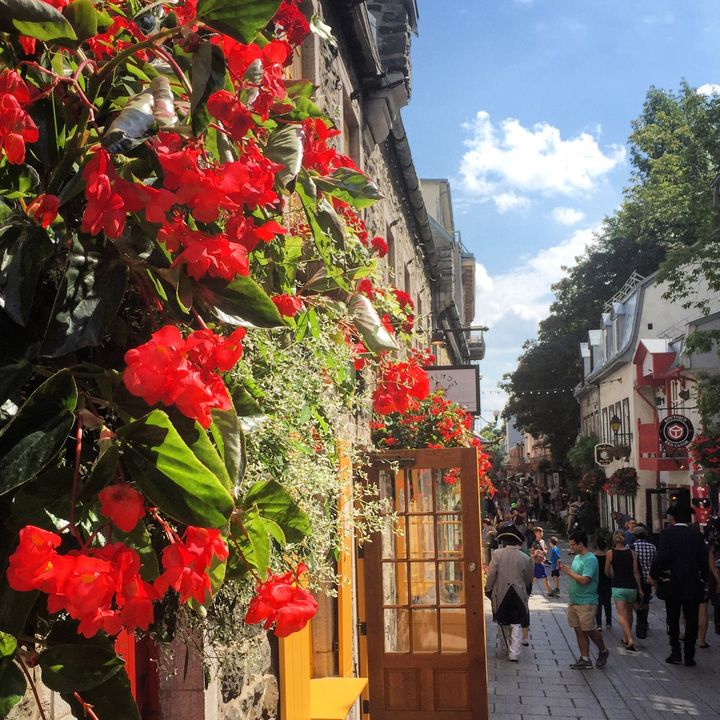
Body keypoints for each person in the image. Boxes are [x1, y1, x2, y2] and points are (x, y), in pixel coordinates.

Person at [650, 504, 708, 666]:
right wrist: (705, 579)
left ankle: (675, 650)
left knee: (673, 618)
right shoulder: (696, 534)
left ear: (673, 518)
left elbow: (661, 557)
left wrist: (654, 574)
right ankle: (690, 654)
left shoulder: (667, 533)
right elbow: (703, 560)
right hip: (692, 583)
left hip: (672, 583)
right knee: (691, 619)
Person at [561, 529, 609, 669]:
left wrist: (569, 572)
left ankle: (603, 650)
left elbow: (585, 580)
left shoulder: (591, 559)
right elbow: (576, 575)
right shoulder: (577, 558)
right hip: (574, 599)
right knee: (578, 630)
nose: (571, 548)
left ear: (581, 544)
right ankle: (585, 658)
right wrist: (568, 570)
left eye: (572, 545)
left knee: (589, 629)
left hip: (587, 601)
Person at [485, 523, 534, 662]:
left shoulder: (497, 554)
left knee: (502, 620)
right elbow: (528, 578)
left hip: (501, 592)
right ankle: (514, 652)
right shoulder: (525, 558)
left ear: (504, 541)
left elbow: (492, 574)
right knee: (517, 622)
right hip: (518, 593)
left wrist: (488, 588)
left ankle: (504, 647)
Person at [605, 530, 643, 651]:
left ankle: (630, 638)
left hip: (618, 586)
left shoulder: (610, 553)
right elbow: (636, 572)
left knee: (621, 614)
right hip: (631, 586)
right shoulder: (632, 553)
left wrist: (612, 576)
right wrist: (640, 589)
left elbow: (606, 571)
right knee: (629, 613)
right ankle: (625, 637)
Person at [631, 524, 656, 639]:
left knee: (635, 599)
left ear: (635, 536)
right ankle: (644, 620)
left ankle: (639, 616)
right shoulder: (652, 547)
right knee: (646, 600)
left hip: (636, 579)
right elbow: (655, 562)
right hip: (648, 578)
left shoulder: (632, 547)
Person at [594, 536, 612, 630]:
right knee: (607, 602)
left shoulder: (593, 556)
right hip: (607, 581)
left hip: (596, 582)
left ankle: (599, 624)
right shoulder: (609, 555)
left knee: (598, 603)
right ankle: (609, 622)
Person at [531, 527, 551, 595]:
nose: (541, 533)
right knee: (544, 577)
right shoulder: (534, 543)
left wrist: (543, 552)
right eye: (539, 532)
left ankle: (528, 590)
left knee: (535, 578)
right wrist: (535, 553)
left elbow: (546, 549)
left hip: (541, 562)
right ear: (536, 534)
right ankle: (549, 592)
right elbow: (532, 554)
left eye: (542, 532)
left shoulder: (542, 541)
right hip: (537, 563)